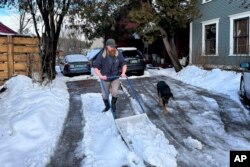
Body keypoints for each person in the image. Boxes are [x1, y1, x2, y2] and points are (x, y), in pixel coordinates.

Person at [93, 38, 127, 116]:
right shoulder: (102, 55)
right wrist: (101, 76)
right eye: (111, 47)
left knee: (115, 92)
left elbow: (124, 64)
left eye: (114, 46)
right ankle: (107, 106)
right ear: (107, 47)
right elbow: (96, 68)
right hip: (105, 78)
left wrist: (123, 72)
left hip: (115, 77)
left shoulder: (118, 53)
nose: (113, 48)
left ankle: (113, 104)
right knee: (105, 95)